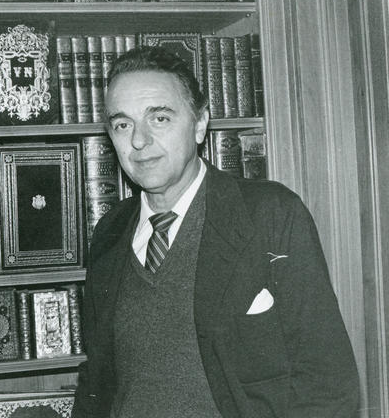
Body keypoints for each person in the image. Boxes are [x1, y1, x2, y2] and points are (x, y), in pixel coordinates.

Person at [71, 46, 360, 418]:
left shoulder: (270, 214)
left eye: (159, 118)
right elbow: (96, 382)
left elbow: (329, 384)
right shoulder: (109, 232)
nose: (139, 141)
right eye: (122, 124)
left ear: (200, 124)